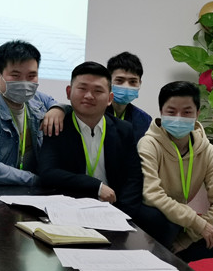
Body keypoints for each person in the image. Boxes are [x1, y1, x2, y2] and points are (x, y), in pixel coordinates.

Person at [138, 81, 213, 262]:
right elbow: (151, 195)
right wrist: (197, 223)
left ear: (197, 114)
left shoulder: (207, 150)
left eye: (187, 112)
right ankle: (161, 259)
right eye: (171, 112)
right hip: (155, 216)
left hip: (182, 220)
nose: (179, 118)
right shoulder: (149, 144)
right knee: (168, 227)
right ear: (161, 112)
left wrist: (187, 238)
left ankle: (174, 257)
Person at [38, 62, 143, 217]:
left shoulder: (124, 129)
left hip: (114, 207)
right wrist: (96, 186)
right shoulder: (58, 125)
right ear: (69, 92)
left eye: (98, 91)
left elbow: (133, 177)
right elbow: (48, 173)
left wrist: (123, 214)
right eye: (82, 89)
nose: (89, 96)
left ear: (109, 98)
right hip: (70, 207)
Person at [0, 40, 67, 186]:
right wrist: (38, 181)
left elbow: (58, 104)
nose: (24, 83)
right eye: (16, 76)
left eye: (31, 76)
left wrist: (58, 109)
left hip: (30, 191)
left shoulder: (37, 99)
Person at [106, 51, 152, 142]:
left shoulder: (145, 120)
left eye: (133, 81)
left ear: (140, 83)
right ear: (108, 81)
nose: (126, 86)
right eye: (119, 80)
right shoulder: (95, 114)